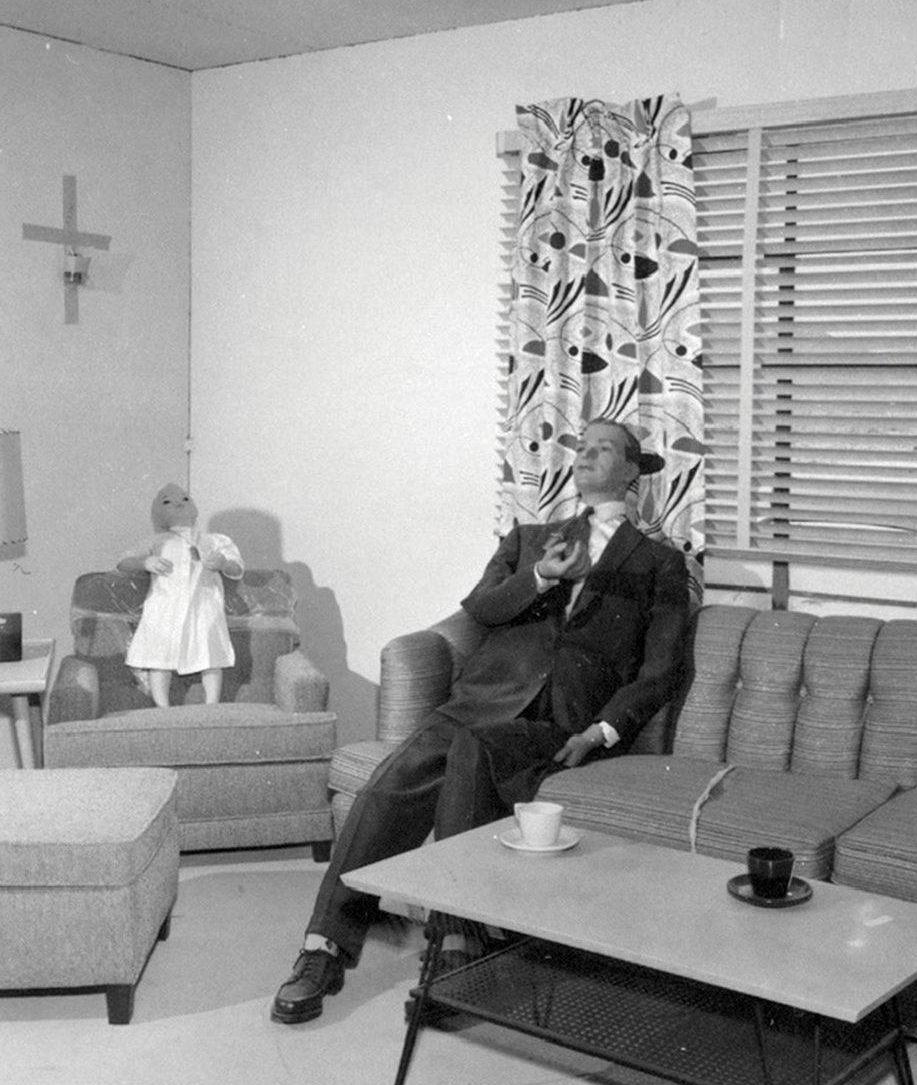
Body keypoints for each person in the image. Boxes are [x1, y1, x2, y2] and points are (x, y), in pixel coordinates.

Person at [271, 419, 691, 1024]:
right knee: (392, 782)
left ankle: (456, 950)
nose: (585, 455)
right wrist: (542, 576)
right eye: (580, 447)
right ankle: (326, 947)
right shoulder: (529, 540)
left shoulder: (658, 563)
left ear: (631, 471)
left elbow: (660, 669)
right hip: (481, 701)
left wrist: (601, 731)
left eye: (604, 449)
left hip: (562, 724)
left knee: (465, 756)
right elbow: (480, 611)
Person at [119, 483, 245, 707]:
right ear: (160, 515)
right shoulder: (157, 541)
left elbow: (237, 567)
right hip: (164, 607)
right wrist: (145, 561)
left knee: (210, 652)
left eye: (185, 499)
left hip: (204, 605)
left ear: (196, 509)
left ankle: (212, 704)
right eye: (167, 501)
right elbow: (124, 562)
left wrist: (223, 562)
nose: (178, 503)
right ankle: (162, 706)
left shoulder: (215, 540)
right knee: (160, 656)